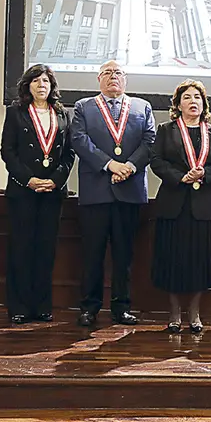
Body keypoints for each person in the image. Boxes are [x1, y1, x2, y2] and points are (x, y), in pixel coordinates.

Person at [70, 60, 156, 326]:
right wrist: (110, 165)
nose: (113, 77)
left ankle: (122, 308)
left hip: (129, 191)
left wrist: (129, 166)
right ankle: (89, 308)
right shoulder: (83, 107)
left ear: (125, 78)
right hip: (96, 191)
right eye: (107, 73)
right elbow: (79, 140)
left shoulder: (142, 107)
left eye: (118, 72)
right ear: (98, 79)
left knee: (124, 255)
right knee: (92, 255)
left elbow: (150, 142)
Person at [149, 79, 211, 334]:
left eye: (197, 97)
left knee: (199, 262)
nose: (193, 101)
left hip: (202, 207)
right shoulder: (166, 130)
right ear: (178, 104)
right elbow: (156, 160)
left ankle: (194, 313)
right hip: (173, 204)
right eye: (187, 97)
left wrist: (204, 174)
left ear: (204, 104)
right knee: (172, 260)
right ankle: (174, 313)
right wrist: (180, 177)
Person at [1, 64, 74, 324]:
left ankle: (42, 306)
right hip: (24, 190)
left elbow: (69, 153)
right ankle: (18, 307)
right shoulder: (16, 112)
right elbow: (8, 151)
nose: (41, 85)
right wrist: (29, 179)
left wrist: (54, 180)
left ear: (52, 86)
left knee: (46, 250)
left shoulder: (62, 113)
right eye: (36, 81)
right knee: (21, 249)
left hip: (52, 192)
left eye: (45, 81)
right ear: (27, 85)